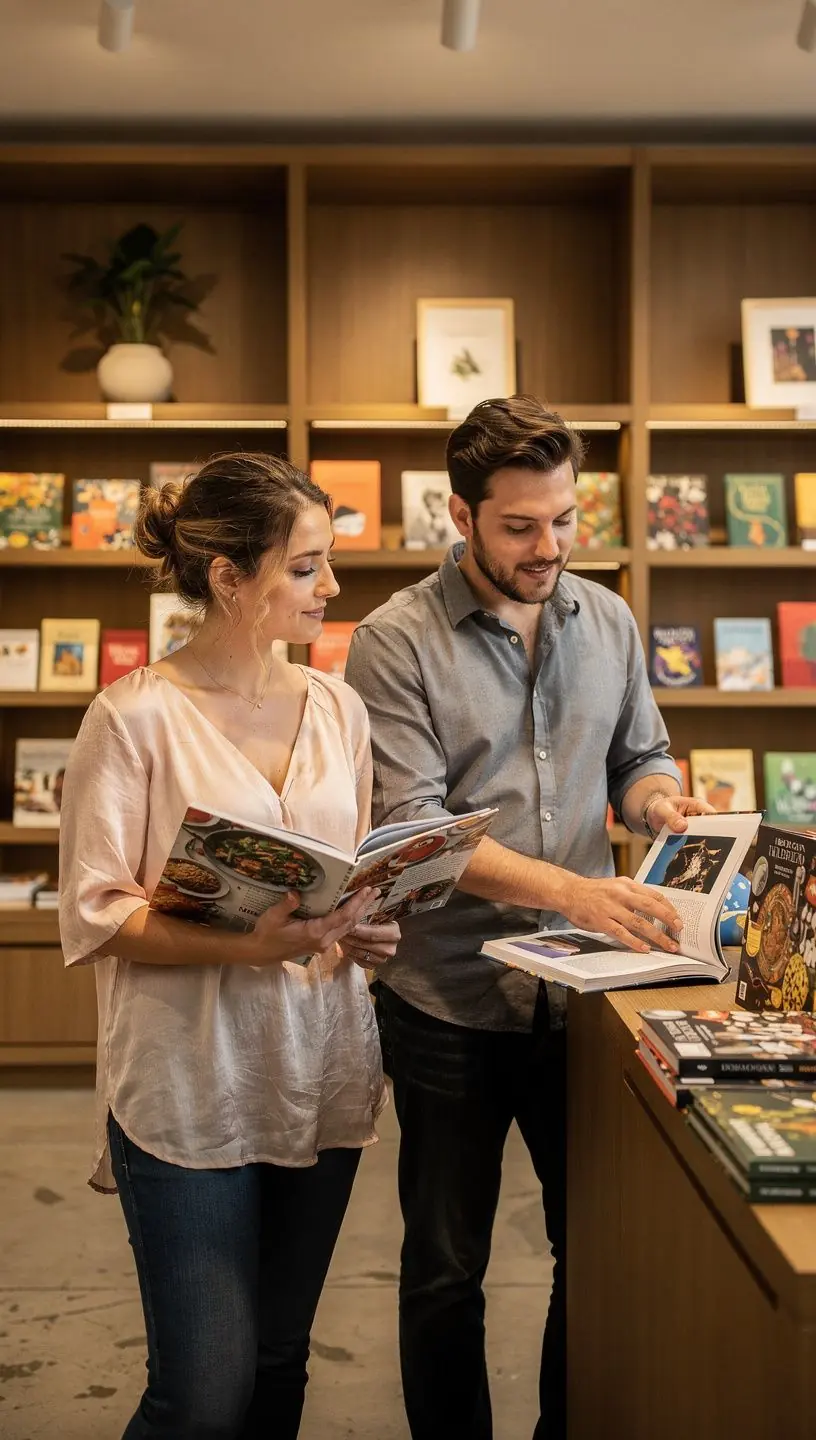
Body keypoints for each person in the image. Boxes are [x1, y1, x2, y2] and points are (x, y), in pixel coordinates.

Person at [344, 395, 714, 1440]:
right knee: (444, 1267)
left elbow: (640, 755)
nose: (548, 546)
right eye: (519, 526)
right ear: (461, 516)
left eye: (563, 519)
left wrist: (658, 802)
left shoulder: (610, 619)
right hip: (446, 1002)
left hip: (588, 995)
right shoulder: (392, 642)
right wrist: (577, 892)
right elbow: (418, 831)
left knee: (589, 1251)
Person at [58, 452, 399, 1440]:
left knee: (280, 1362)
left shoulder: (338, 708)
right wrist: (251, 949)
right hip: (188, 1085)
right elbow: (95, 913)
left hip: (317, 1069)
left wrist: (365, 925)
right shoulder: (133, 717)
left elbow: (344, 870)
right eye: (307, 567)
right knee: (202, 1396)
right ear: (228, 577)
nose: (331, 587)